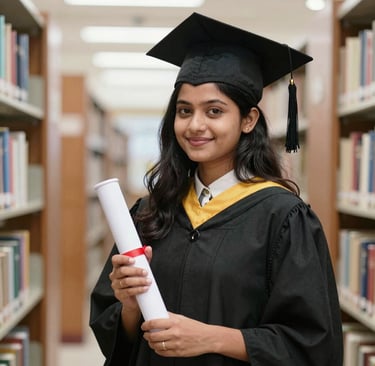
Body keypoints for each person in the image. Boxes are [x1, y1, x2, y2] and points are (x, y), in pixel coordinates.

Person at [90, 12, 343, 366]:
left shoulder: (283, 218)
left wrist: (211, 338)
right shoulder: (149, 212)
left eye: (214, 111)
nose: (195, 125)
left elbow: (312, 344)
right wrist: (129, 305)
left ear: (248, 119)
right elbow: (116, 336)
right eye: (184, 110)